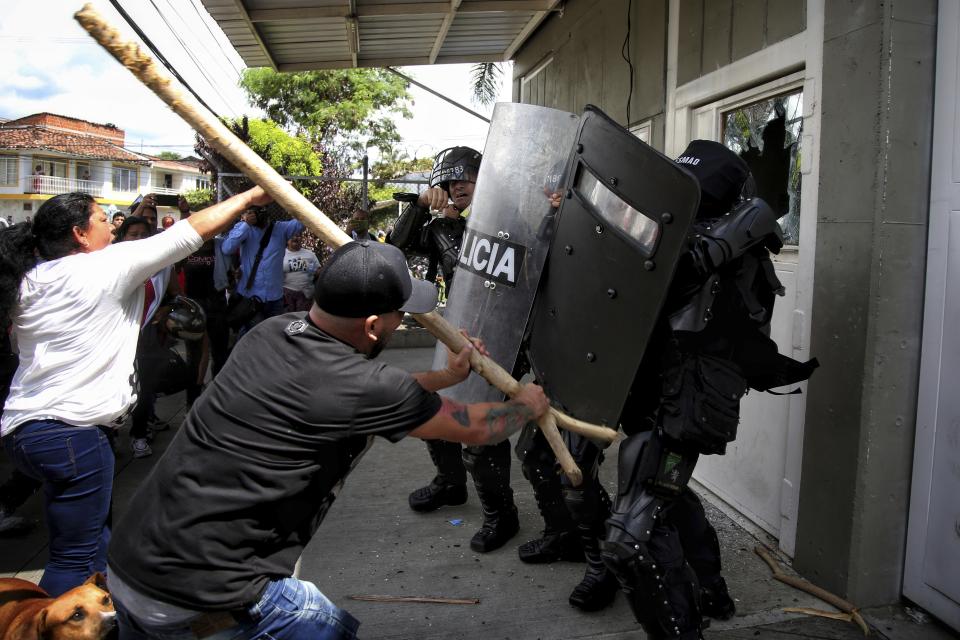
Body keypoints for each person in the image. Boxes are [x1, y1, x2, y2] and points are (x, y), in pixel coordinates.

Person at [106, 240, 550, 639]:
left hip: (130, 565)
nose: (403, 321)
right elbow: (474, 426)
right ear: (374, 325)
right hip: (208, 598)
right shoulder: (366, 386)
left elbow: (365, 391)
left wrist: (449, 375)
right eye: (401, 314)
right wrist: (527, 406)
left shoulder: (271, 333)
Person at [0, 186, 272, 596]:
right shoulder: (105, 266)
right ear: (79, 233)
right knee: (73, 558)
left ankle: (108, 616)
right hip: (73, 433)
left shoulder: (31, 278)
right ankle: (51, 623)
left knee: (95, 545)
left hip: (28, 433)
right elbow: (188, 233)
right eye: (101, 219)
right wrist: (248, 198)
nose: (112, 226)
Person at [114, 216, 180, 459]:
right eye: (133, 234)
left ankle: (139, 435)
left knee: (144, 387)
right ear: (122, 237)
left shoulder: (163, 265)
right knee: (114, 388)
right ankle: (109, 435)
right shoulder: (110, 262)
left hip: (148, 336)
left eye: (144, 234)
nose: (139, 239)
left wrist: (165, 310)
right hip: (114, 336)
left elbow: (175, 296)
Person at [222, 205, 305, 329]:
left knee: (272, 336)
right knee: (250, 336)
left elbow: (303, 221)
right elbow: (227, 248)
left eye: (256, 213)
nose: (254, 216)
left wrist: (285, 197)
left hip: (275, 298)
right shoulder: (245, 228)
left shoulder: (281, 228)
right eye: (250, 213)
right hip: (250, 298)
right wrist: (245, 224)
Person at [282, 233, 320, 312]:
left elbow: (319, 272)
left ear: (301, 239)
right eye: (292, 236)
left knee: (303, 320)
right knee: (287, 320)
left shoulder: (310, 254)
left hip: (305, 294)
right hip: (286, 295)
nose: (295, 238)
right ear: (287, 239)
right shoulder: (281, 254)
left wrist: (308, 267)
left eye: (298, 236)